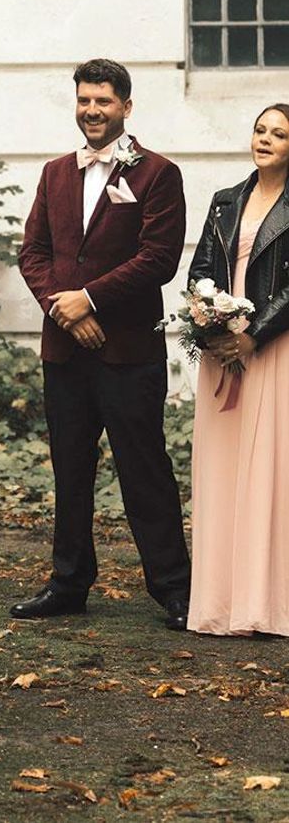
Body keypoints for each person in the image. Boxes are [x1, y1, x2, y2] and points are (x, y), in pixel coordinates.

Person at [15, 58, 191, 631]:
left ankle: (174, 586)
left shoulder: (158, 174)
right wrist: (63, 311)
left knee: (144, 468)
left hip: (128, 351)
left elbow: (159, 259)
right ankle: (68, 583)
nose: (92, 110)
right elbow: (33, 254)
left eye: (104, 101)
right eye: (85, 100)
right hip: (65, 350)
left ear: (126, 107)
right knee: (69, 468)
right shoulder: (55, 173)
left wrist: (88, 299)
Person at [186, 103, 289, 636]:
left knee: (272, 471)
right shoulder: (226, 201)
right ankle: (223, 600)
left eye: (279, 134)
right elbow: (201, 268)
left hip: (273, 349)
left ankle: (267, 602)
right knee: (224, 470)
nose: (265, 139)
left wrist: (256, 333)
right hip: (223, 350)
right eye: (260, 129)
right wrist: (211, 324)